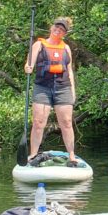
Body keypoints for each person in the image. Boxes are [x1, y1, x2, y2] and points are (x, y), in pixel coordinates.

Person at [23, 17, 78, 166]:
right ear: (51, 27)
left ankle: (71, 155)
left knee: (66, 122)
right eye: (56, 27)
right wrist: (28, 68)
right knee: (38, 122)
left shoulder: (66, 48)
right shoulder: (38, 45)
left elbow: (70, 70)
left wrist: (72, 91)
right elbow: (29, 64)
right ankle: (33, 154)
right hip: (43, 87)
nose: (58, 30)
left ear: (64, 34)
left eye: (61, 29)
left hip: (63, 87)